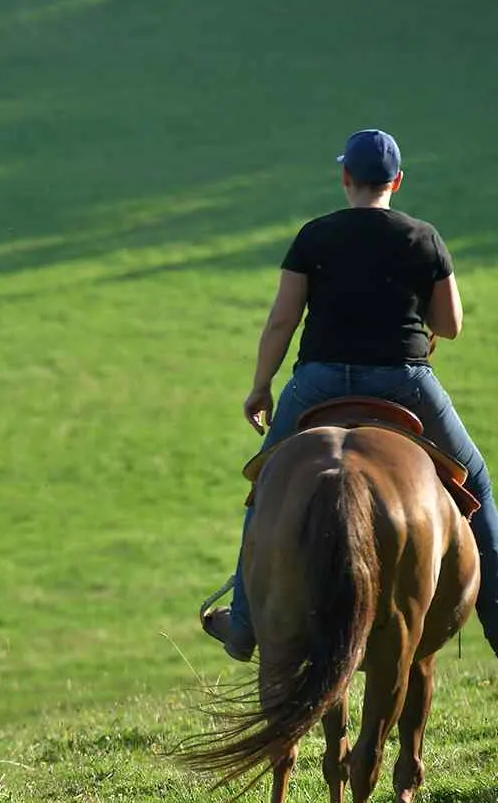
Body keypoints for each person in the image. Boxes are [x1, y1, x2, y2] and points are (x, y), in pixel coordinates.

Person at [202, 129, 498, 660]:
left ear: (345, 178)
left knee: (267, 482)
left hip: (317, 379)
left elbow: (282, 321)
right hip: (403, 381)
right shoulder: (424, 237)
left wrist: (261, 386)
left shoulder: (314, 236)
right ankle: (496, 614)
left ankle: (245, 623)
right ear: (397, 182)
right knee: (475, 479)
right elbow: (450, 324)